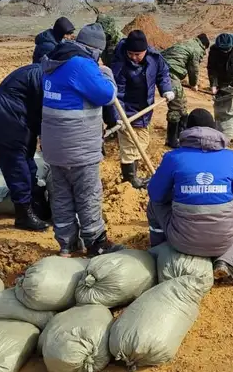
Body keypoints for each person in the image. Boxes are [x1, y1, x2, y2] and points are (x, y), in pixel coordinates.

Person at [40, 23, 125, 257]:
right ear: (95, 49)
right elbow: (106, 95)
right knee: (88, 195)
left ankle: (67, 244)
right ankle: (95, 243)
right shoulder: (80, 64)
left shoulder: (55, 59)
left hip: (54, 147)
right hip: (78, 147)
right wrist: (106, 73)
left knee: (62, 196)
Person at [146, 108, 233, 285]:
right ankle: (225, 261)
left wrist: (181, 194)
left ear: (187, 130)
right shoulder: (231, 157)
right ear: (214, 129)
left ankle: (159, 249)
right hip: (222, 239)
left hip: (182, 241)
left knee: (154, 205)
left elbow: (156, 194)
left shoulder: (173, 157)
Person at [0, 64, 49, 232]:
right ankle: (23, 215)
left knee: (27, 161)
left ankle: (34, 203)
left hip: (17, 116)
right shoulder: (41, 77)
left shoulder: (43, 72)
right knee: (17, 166)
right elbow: (44, 112)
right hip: (6, 119)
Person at [109, 30, 175, 188]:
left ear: (145, 50)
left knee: (141, 141)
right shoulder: (120, 64)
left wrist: (166, 88)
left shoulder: (154, 58)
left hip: (145, 109)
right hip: (128, 111)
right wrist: (119, 117)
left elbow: (163, 74)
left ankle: (132, 177)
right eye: (130, 53)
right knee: (130, 144)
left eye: (137, 54)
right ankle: (130, 180)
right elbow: (118, 95)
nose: (133, 57)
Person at [161, 34, 210, 148]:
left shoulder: (187, 43)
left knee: (182, 105)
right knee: (176, 107)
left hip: (167, 72)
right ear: (204, 45)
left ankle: (181, 135)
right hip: (170, 75)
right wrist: (193, 84)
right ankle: (172, 140)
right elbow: (194, 69)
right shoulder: (196, 48)